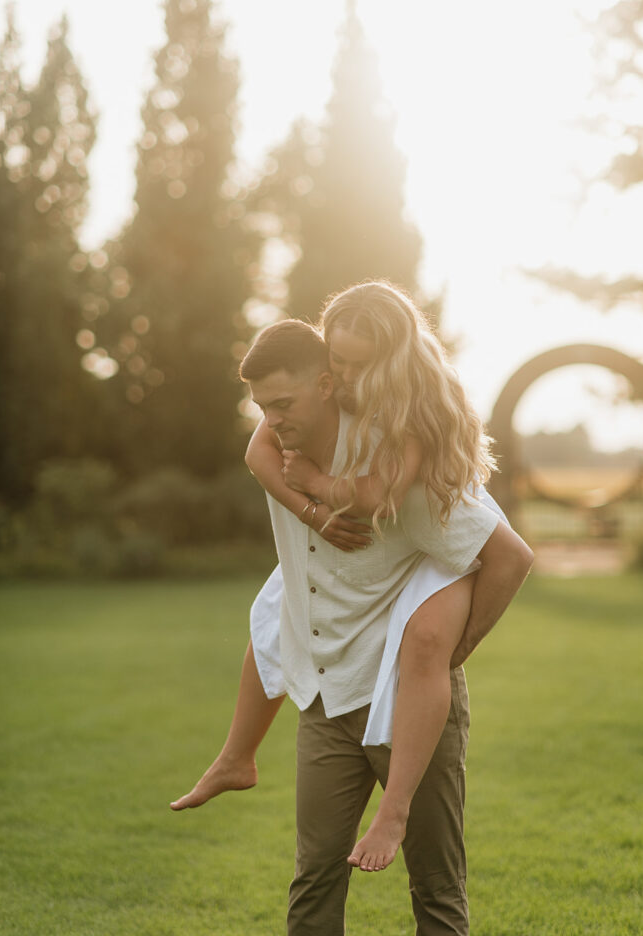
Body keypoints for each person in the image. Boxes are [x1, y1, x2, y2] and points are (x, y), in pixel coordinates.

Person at [174, 310, 533, 934]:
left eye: (283, 402)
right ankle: (237, 755)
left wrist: (455, 651)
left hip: (406, 704)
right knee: (313, 883)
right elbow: (259, 449)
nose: (272, 418)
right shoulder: (280, 447)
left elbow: (510, 557)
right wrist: (312, 509)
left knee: (437, 891)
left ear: (327, 386)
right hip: (324, 700)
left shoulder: (403, 473)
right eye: (263, 405)